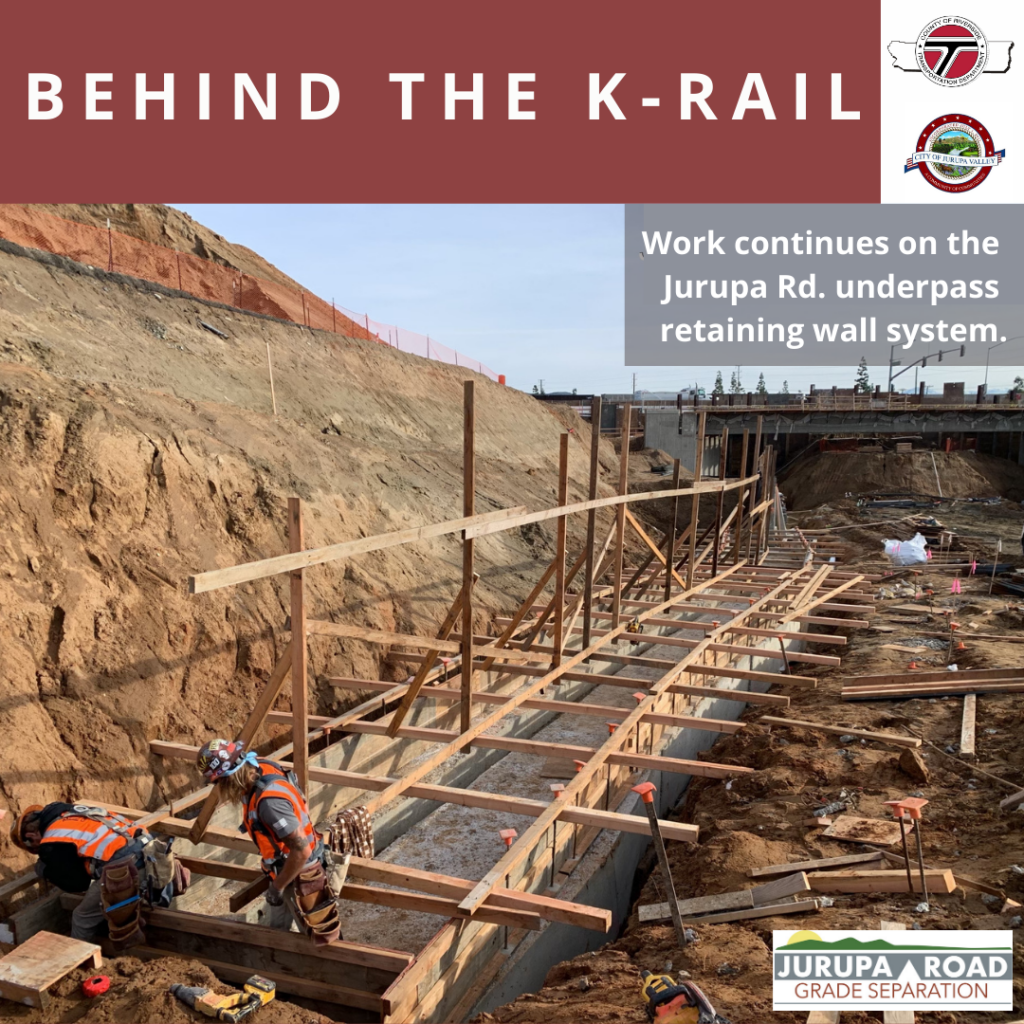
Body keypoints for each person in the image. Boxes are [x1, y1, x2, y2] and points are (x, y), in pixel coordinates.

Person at [197, 738, 341, 945]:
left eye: (217, 783)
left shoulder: (270, 803)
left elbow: (301, 852)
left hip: (302, 873)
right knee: (278, 932)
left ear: (229, 779)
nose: (218, 789)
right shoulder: (260, 767)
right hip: (284, 868)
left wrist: (278, 887)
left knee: (322, 937)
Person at [9, 802, 186, 946]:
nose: (37, 849)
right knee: (104, 896)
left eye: (33, 846)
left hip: (128, 867)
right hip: (151, 852)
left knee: (81, 917)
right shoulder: (73, 814)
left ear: (31, 835)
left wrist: (45, 870)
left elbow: (77, 884)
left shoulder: (52, 839)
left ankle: (77, 964)